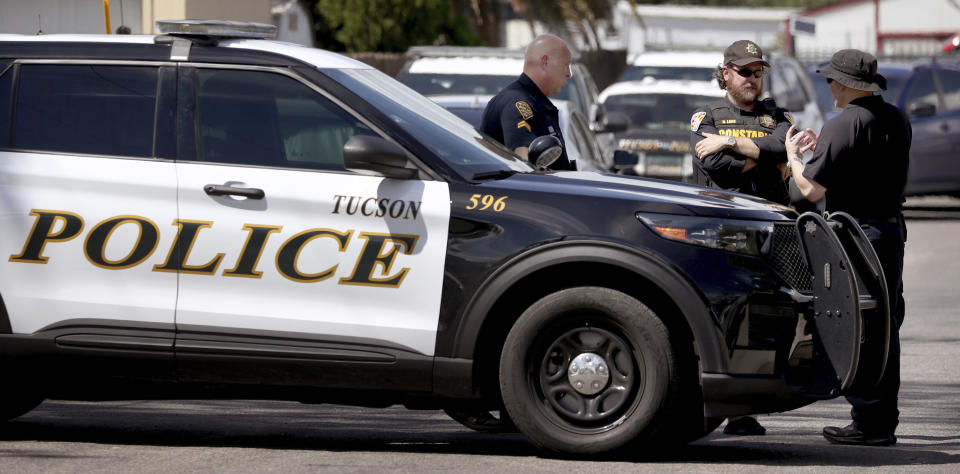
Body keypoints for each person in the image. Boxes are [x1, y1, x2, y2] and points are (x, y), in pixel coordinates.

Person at [786, 49, 910, 447]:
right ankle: (880, 421)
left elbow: (809, 190)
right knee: (886, 324)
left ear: (843, 84)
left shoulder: (843, 125)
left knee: (860, 326)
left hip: (859, 237)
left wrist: (793, 157)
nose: (829, 88)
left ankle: (869, 420)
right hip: (890, 232)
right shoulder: (896, 118)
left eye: (829, 81)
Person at [690, 40, 793, 205]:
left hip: (771, 214)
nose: (752, 79)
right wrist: (772, 161)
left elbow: (782, 147)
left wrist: (729, 141)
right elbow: (715, 163)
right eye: (745, 72)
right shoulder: (707, 116)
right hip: (720, 214)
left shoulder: (778, 115)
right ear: (726, 73)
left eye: (758, 73)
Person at [481, 34, 575, 170]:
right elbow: (524, 162)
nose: (568, 73)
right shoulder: (517, 103)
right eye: (565, 65)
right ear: (545, 62)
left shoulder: (534, 102)